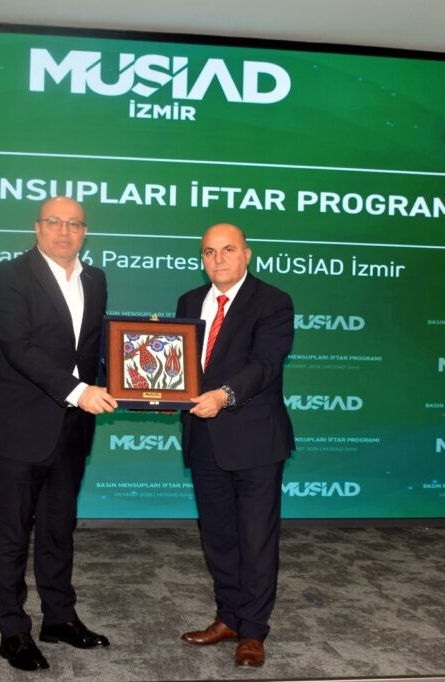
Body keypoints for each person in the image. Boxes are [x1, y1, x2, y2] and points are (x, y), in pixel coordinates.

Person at [0, 196, 117, 671]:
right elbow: (18, 347)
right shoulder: (8, 275)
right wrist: (79, 391)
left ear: (85, 232)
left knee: (59, 528)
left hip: (73, 427)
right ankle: (13, 631)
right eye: (55, 222)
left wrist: (142, 386)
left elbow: (94, 350)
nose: (64, 231)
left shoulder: (96, 279)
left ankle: (59, 617)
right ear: (37, 227)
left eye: (74, 224)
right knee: (12, 532)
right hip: (20, 425)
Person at [175, 223, 295, 669]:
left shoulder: (273, 301)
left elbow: (265, 364)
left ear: (247, 254)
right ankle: (228, 617)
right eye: (209, 252)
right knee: (219, 537)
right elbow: (180, 366)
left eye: (228, 250)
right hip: (204, 439)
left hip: (255, 439)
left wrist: (224, 395)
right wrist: (165, 394)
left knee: (256, 540)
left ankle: (253, 631)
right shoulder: (189, 302)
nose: (219, 259)